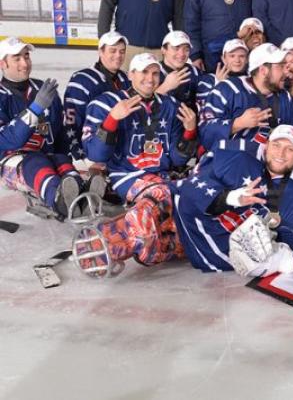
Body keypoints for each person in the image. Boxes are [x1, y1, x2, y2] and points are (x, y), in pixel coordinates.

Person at [76, 53, 197, 272]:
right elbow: (96, 154)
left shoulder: (170, 105)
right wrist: (113, 119)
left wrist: (189, 132)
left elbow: (177, 158)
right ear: (131, 74)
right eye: (143, 72)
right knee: (162, 195)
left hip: (161, 176)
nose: (150, 79)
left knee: (183, 201)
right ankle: (101, 240)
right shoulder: (106, 102)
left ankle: (145, 245)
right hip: (127, 176)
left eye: (154, 73)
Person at [174, 124, 293, 276]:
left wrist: (280, 252)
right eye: (276, 145)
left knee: (262, 257)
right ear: (266, 146)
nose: (281, 153)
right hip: (189, 220)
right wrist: (229, 198)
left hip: (228, 245)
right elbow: (192, 186)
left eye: (290, 149)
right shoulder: (235, 153)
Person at [0, 37, 101, 219]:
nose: (25, 63)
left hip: (45, 154)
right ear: (3, 63)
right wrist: (35, 108)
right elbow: (7, 140)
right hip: (11, 160)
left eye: (27, 56)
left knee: (61, 161)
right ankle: (59, 199)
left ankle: (83, 196)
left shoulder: (42, 88)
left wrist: (65, 155)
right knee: (38, 164)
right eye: (17, 58)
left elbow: (60, 130)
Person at [199, 43, 293, 154]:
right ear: (263, 70)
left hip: (270, 165)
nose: (286, 71)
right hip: (228, 163)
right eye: (281, 66)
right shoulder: (227, 90)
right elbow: (205, 134)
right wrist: (238, 123)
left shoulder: (286, 98)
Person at [63, 31, 131, 160]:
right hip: (92, 152)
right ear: (100, 52)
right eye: (113, 51)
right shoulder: (82, 80)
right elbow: (71, 123)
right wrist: (79, 156)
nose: (118, 55)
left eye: (122, 51)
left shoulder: (125, 78)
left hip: (119, 152)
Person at [196, 38, 249, 111]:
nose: (237, 60)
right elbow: (203, 111)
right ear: (223, 58)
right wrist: (219, 85)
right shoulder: (207, 80)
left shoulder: (252, 81)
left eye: (242, 56)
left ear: (247, 59)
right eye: (232, 56)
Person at [156, 31, 203, 111]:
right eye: (176, 48)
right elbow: (143, 107)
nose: (181, 54)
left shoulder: (194, 72)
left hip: (189, 121)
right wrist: (165, 87)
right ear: (163, 50)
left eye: (186, 49)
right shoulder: (152, 72)